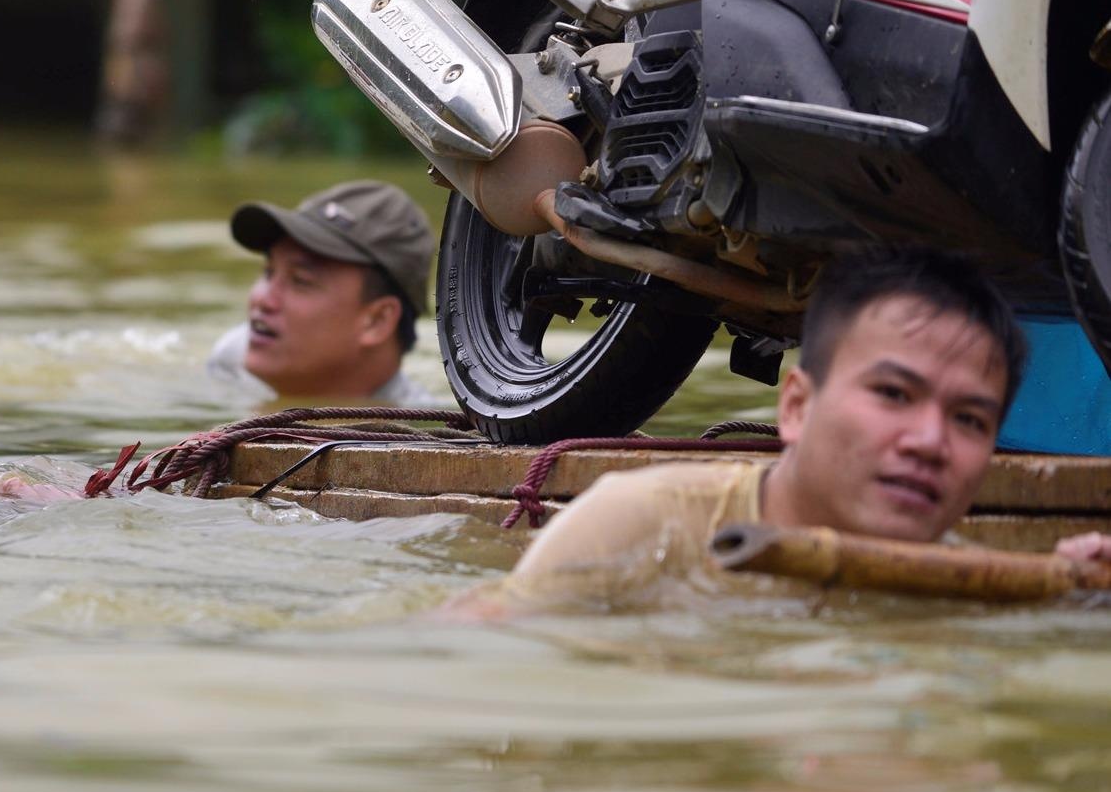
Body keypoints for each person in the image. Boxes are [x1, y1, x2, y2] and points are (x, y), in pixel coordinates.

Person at [447, 245, 1111, 616]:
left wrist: (1070, 590)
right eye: (892, 393)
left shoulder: (965, 587)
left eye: (970, 420)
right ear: (795, 406)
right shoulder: (643, 527)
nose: (929, 441)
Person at [208, 180, 443, 407]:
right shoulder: (229, 362)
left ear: (377, 320)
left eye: (300, 280)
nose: (262, 299)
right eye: (269, 272)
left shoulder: (427, 435)